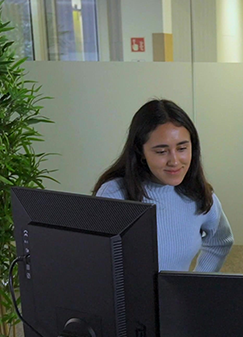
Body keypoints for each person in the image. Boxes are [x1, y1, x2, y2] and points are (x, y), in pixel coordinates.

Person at [94, 99, 233, 272]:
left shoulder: (199, 194)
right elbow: (95, 262)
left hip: (174, 297)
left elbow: (221, 242)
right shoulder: (114, 194)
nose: (174, 161)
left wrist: (196, 284)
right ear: (141, 152)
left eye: (182, 148)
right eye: (161, 151)